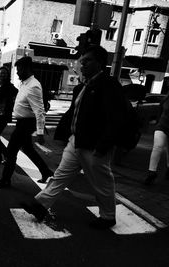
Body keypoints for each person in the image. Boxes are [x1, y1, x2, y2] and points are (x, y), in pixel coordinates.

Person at [20, 45, 124, 230]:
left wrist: (104, 145)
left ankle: (108, 217)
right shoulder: (83, 86)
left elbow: (115, 119)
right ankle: (40, 206)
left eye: (87, 61)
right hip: (76, 141)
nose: (82, 64)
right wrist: (63, 134)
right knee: (60, 176)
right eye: (81, 61)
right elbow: (73, 113)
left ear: (100, 63)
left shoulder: (108, 85)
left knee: (102, 182)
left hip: (94, 144)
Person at [0, 57, 54, 188]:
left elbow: (40, 110)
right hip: (22, 123)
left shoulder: (33, 85)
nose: (17, 73)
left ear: (26, 69)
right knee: (28, 149)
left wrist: (40, 132)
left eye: (19, 70)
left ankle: (5, 180)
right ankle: (45, 171)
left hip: (26, 124)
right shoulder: (24, 83)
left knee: (11, 151)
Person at [0, 66, 18, 164]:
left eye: (5, 73)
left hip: (3, 115)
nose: (3, 75)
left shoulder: (8, 86)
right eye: (1, 73)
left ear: (7, 75)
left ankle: (8, 156)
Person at [145, 93, 169, 185]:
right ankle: (152, 172)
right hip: (162, 125)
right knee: (157, 147)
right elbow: (160, 111)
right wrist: (157, 122)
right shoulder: (166, 99)